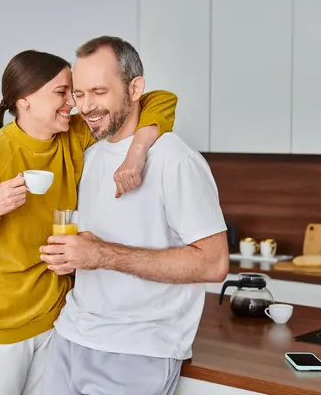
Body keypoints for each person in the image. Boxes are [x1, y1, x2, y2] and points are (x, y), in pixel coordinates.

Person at [0, 47, 178, 395]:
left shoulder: (72, 136)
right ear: (25, 100)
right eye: (62, 93)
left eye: (72, 92)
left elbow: (161, 99)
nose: (73, 104)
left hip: (55, 322)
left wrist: (138, 149)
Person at [40, 36, 229, 395]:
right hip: (70, 337)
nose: (87, 106)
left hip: (137, 351)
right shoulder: (92, 156)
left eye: (99, 91)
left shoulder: (175, 159)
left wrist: (102, 255)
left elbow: (214, 264)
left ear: (135, 87)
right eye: (79, 94)